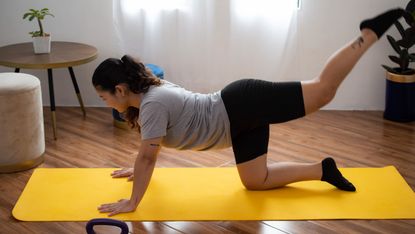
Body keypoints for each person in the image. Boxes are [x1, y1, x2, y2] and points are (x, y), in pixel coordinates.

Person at [93, 8, 405, 216]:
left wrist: (133, 202)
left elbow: (148, 156)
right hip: (238, 125)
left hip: (242, 104)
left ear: (120, 89)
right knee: (256, 180)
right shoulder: (148, 93)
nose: (105, 102)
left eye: (103, 96)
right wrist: (139, 168)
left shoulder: (151, 104)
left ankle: (367, 35)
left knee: (323, 90)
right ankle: (322, 170)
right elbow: (150, 151)